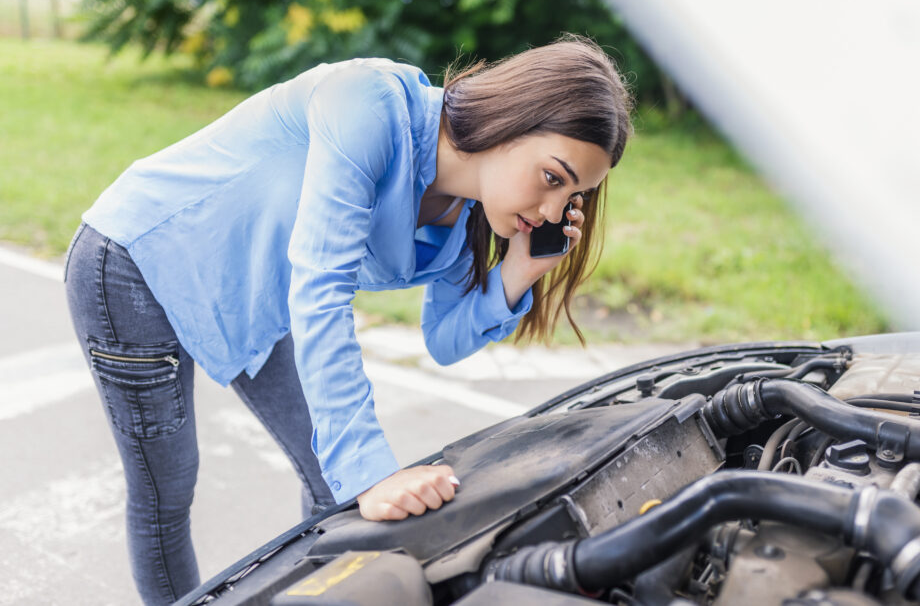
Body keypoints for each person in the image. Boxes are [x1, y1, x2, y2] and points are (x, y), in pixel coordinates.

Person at [63, 34, 633, 604]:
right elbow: (321, 290)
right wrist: (371, 472)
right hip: (138, 262)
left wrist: (517, 273)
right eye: (554, 178)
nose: (554, 212)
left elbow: (443, 341)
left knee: (331, 490)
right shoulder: (367, 103)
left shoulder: (465, 213)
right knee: (169, 490)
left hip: (254, 296)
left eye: (573, 195)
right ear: (511, 120)